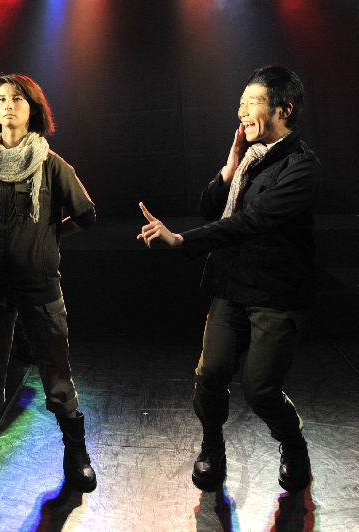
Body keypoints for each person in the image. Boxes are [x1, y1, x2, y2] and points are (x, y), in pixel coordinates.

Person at [138, 66, 321, 493]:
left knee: (260, 390)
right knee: (210, 374)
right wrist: (230, 165)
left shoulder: (302, 167)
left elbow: (252, 221)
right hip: (231, 286)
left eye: (251, 102)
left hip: (277, 295)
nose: (241, 111)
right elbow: (210, 207)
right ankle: (212, 445)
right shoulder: (249, 161)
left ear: (283, 109)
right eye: (240, 103)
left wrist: (181, 240)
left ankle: (293, 444)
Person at [0, 74, 97, 492]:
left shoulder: (51, 163)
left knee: (56, 368)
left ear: (33, 109)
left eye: (17, 98)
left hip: (38, 283)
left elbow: (86, 215)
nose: (8, 105)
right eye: (1, 99)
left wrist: (49, 235)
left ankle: (76, 452)